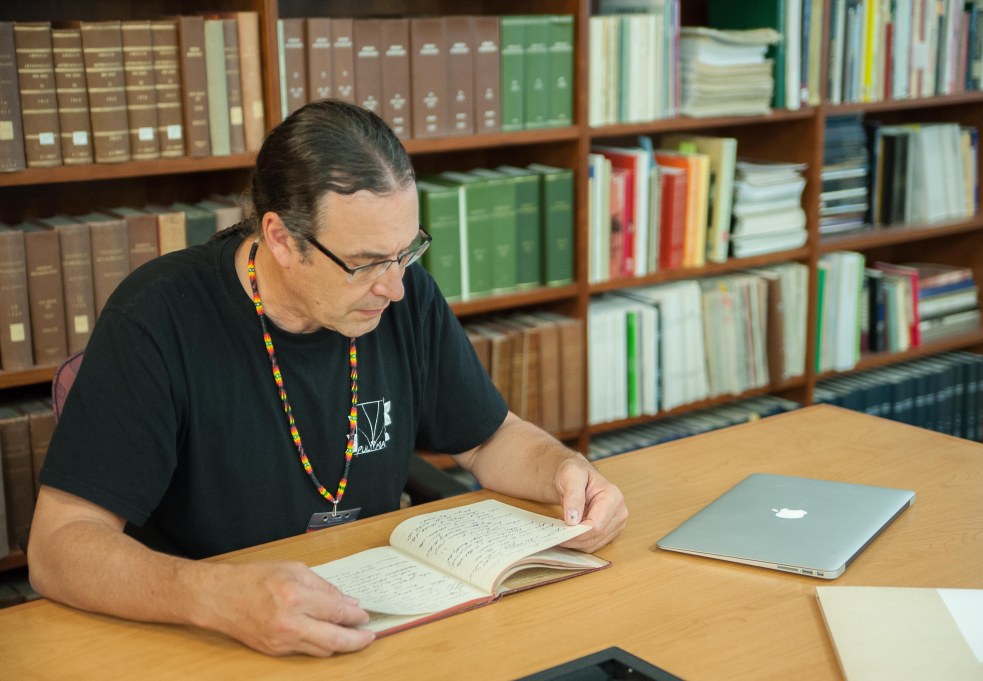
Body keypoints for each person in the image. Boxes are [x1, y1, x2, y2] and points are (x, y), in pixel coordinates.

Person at [27, 99, 628, 657]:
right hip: (210, 638)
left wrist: (563, 472)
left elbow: (489, 437)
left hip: (376, 617)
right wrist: (215, 595)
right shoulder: (159, 317)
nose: (394, 287)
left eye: (406, 252)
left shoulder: (400, 290)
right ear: (281, 239)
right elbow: (57, 548)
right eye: (366, 263)